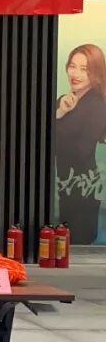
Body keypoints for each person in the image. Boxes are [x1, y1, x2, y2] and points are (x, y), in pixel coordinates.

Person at [56, 44, 106, 244]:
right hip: (65, 186)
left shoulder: (98, 105)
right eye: (72, 66)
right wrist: (60, 113)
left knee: (76, 244)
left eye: (84, 69)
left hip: (82, 187)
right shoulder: (63, 101)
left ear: (96, 73)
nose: (75, 74)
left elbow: (81, 150)